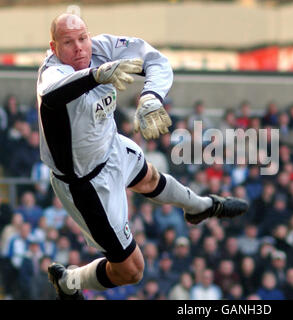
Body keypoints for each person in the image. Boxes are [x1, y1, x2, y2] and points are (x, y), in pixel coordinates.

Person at [38, 13, 248, 300]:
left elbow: (155, 59)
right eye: (68, 42)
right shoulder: (52, 73)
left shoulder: (103, 48)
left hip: (111, 146)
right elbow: (52, 95)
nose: (79, 48)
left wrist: (151, 96)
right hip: (85, 183)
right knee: (132, 271)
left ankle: (200, 206)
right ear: (54, 47)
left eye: (82, 38)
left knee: (149, 178)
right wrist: (95, 75)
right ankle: (69, 281)